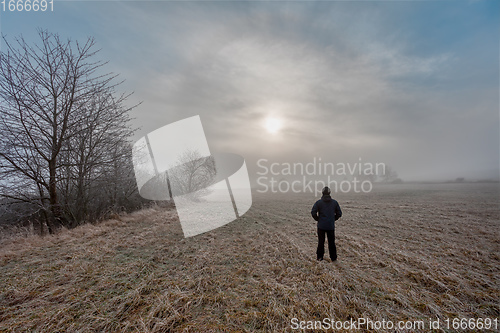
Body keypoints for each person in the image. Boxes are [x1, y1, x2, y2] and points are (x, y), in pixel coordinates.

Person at [311, 186, 342, 262]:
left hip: (321, 226)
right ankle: (333, 258)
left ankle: (319, 257)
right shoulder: (334, 203)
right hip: (330, 226)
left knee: (321, 242)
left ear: (322, 193)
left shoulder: (318, 203)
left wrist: (318, 219)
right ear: (329, 193)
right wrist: (333, 219)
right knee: (332, 243)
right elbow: (339, 213)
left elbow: (313, 212)